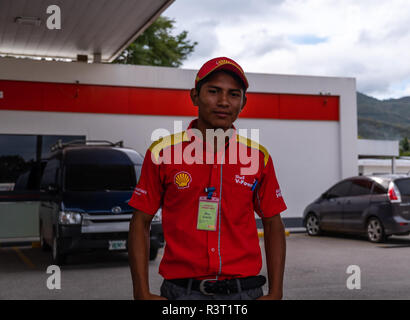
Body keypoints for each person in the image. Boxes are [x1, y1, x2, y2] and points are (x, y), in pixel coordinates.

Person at [128, 57, 287, 300]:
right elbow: (140, 222)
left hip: (244, 293)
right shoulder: (162, 153)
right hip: (181, 293)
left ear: (243, 102)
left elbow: (273, 224)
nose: (223, 102)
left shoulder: (258, 157)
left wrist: (276, 292)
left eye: (234, 94)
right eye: (213, 91)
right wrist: (140, 291)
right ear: (194, 96)